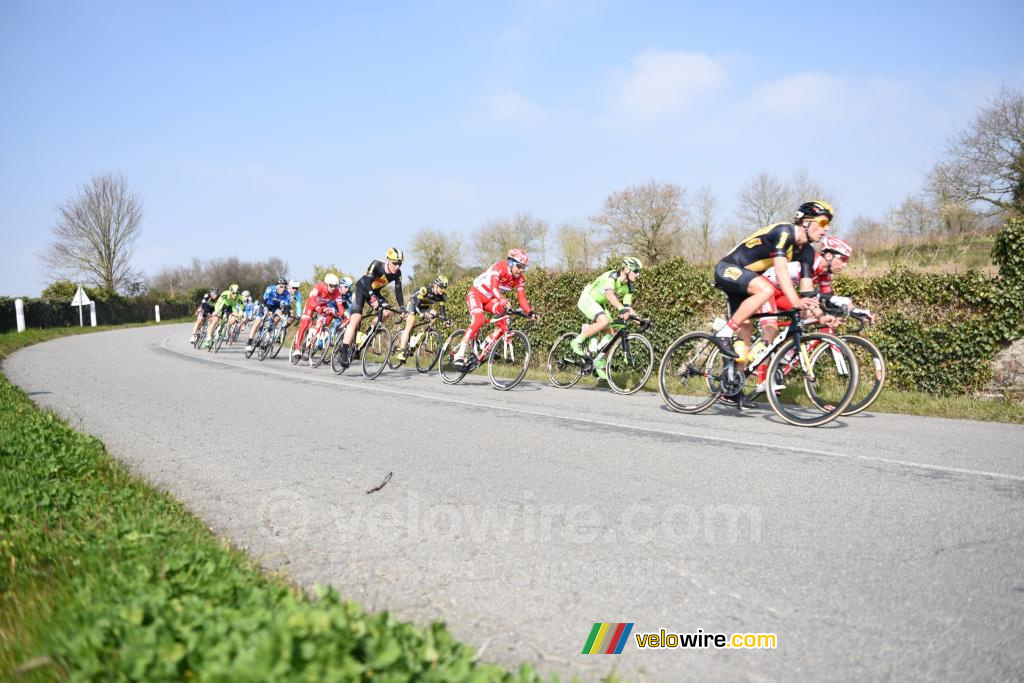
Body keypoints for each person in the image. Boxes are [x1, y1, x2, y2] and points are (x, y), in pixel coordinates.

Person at [711, 200, 835, 406]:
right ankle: (723, 333)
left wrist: (821, 315)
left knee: (746, 333)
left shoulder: (807, 252)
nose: (826, 229)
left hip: (746, 281)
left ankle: (732, 390)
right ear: (805, 221)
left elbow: (807, 292)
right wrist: (795, 300)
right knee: (766, 289)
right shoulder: (784, 232)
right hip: (728, 269)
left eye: (828, 225)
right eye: (822, 223)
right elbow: (780, 271)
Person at [454, 248, 539, 366]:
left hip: (490, 299)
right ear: (510, 262)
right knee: (479, 320)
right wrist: (501, 299)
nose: (521, 270)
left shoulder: (520, 279)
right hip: (476, 294)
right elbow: (494, 287)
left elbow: (522, 298)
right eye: (519, 266)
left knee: (505, 316)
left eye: (523, 267)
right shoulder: (500, 267)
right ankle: (460, 354)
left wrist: (530, 312)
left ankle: (486, 344)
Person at [569, 257, 642, 381]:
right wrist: (620, 308)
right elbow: (609, 294)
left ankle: (599, 365)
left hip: (599, 304)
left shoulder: (629, 286)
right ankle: (577, 341)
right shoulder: (612, 276)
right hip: (587, 298)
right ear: (627, 269)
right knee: (605, 321)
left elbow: (628, 308)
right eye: (636, 271)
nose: (638, 275)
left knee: (611, 335)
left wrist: (640, 321)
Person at [335, 248, 406, 369]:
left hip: (375, 292)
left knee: (386, 312)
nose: (397, 266)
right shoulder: (376, 265)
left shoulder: (397, 274)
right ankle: (344, 350)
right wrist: (372, 298)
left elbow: (398, 292)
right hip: (361, 289)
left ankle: (366, 335)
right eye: (395, 263)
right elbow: (368, 282)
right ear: (388, 260)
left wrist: (403, 308)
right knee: (356, 319)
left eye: (400, 264)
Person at [291, 274, 347, 361]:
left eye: (335, 286)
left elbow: (340, 306)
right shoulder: (319, 286)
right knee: (305, 324)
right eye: (331, 286)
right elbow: (312, 298)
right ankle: (297, 349)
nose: (333, 288)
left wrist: (343, 316)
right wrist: (317, 307)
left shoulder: (336, 292)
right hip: (312, 304)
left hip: (323, 305)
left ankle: (310, 344)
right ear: (326, 284)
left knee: (325, 320)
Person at [394, 275, 448, 364]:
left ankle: (422, 334)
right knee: (410, 323)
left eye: (445, 288)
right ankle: (401, 350)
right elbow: (416, 305)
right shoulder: (425, 289)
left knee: (435, 313)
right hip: (414, 303)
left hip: (425, 306)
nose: (443, 290)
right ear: (435, 285)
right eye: (441, 287)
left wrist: (445, 321)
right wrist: (422, 314)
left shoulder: (442, 296)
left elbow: (442, 313)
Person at [245, 277, 293, 353]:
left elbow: (287, 306)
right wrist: (266, 309)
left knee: (279, 317)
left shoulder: (286, 293)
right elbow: (264, 300)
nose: (283, 288)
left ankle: (267, 337)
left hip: (275, 307)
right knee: (258, 322)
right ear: (277, 286)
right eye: (281, 286)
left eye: (284, 287)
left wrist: (288, 316)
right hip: (266, 305)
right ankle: (249, 342)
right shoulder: (270, 289)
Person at [202, 284, 244, 349]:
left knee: (233, 317)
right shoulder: (225, 293)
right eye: (233, 293)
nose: (235, 295)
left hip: (232, 307)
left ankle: (223, 330)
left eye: (237, 293)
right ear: (230, 292)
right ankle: (208, 338)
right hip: (223, 305)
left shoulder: (240, 297)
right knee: (216, 320)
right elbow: (218, 303)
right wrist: (217, 311)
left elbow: (241, 308)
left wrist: (240, 314)